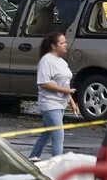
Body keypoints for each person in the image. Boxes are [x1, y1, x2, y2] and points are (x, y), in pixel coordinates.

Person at [29, 31, 80, 160]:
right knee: (58, 133)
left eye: (65, 42)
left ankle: (33, 157)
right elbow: (43, 83)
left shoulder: (62, 62)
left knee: (46, 133)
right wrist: (64, 91)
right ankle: (57, 162)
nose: (65, 45)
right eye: (62, 43)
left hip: (60, 103)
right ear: (53, 46)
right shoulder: (46, 61)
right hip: (49, 103)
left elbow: (65, 85)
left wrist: (72, 102)